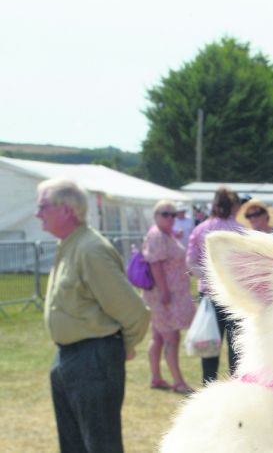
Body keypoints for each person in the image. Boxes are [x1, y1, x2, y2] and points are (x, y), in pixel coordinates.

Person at [36, 178, 150, 453]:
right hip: (70, 357)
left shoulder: (90, 249)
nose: (37, 213)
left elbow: (135, 312)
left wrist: (118, 347)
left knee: (101, 445)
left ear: (66, 209)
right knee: (73, 445)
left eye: (43, 206)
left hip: (93, 359)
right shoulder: (70, 245)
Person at [186, 187, 244, 384]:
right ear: (234, 206)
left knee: (209, 343)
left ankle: (207, 384)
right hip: (234, 295)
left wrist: (209, 278)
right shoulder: (241, 230)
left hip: (209, 294)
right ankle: (237, 387)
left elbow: (191, 262)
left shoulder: (200, 229)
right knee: (236, 347)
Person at [142, 200, 196, 394]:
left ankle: (156, 377)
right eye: (166, 214)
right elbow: (155, 265)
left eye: (173, 214)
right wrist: (164, 291)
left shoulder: (165, 234)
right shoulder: (157, 235)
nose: (171, 218)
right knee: (171, 337)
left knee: (158, 337)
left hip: (168, 294)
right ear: (156, 216)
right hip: (163, 296)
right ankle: (178, 381)